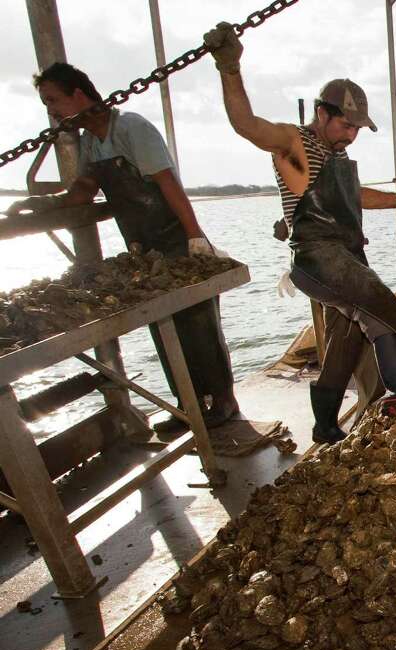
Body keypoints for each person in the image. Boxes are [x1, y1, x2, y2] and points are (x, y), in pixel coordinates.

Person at [203, 22, 396, 444]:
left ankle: (324, 425)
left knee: (347, 338)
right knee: (379, 306)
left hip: (347, 256)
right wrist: (230, 68)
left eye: (358, 130)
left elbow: (354, 197)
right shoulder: (293, 143)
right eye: (345, 126)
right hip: (318, 259)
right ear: (322, 114)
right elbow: (246, 124)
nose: (352, 136)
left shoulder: (336, 155)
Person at [4, 63, 240, 430]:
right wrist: (44, 204)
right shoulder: (91, 143)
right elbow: (82, 192)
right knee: (163, 330)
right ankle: (188, 406)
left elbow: (167, 184)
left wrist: (194, 236)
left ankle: (224, 403)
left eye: (53, 100)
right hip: (142, 249)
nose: (51, 111)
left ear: (78, 95)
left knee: (199, 325)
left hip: (176, 239)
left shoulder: (131, 128)